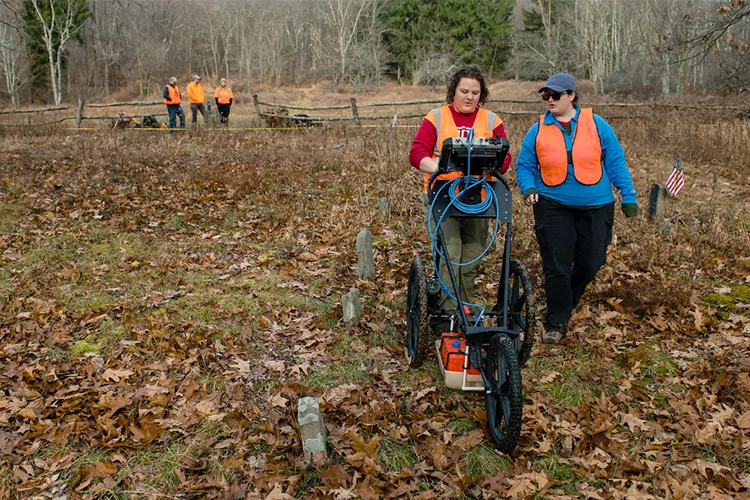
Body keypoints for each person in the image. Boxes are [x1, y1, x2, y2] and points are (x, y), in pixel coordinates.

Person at [515, 73, 638, 343]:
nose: (550, 100)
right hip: (552, 205)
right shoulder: (537, 129)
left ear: (571, 96)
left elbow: (615, 161)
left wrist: (628, 194)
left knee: (591, 261)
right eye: (545, 96)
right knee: (556, 264)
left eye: (555, 95)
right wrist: (529, 189)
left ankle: (566, 299)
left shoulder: (597, 124)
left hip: (597, 205)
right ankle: (556, 321)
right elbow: (524, 165)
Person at [409, 65, 512, 328]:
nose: (469, 97)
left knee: (473, 254)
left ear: (482, 95)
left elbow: (505, 156)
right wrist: (442, 168)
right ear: (453, 91)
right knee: (451, 253)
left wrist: (486, 169)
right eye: (464, 91)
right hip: (443, 196)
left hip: (479, 198)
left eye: (475, 93)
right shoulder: (436, 117)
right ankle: (448, 315)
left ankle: (465, 309)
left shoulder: (491, 121)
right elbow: (417, 153)